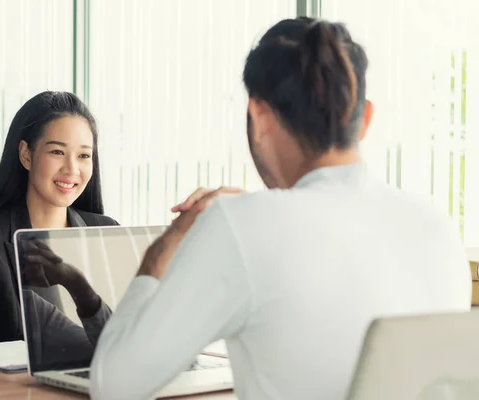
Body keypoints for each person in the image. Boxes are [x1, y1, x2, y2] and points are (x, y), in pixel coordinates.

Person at [89, 17, 471, 400]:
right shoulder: (437, 227)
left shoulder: (240, 226)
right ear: (366, 118)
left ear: (258, 118)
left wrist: (164, 249)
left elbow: (114, 385)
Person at [0, 91, 117, 349]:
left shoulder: (107, 232)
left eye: (84, 155)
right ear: (26, 155)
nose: (71, 169)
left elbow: (123, 339)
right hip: (8, 389)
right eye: (57, 151)